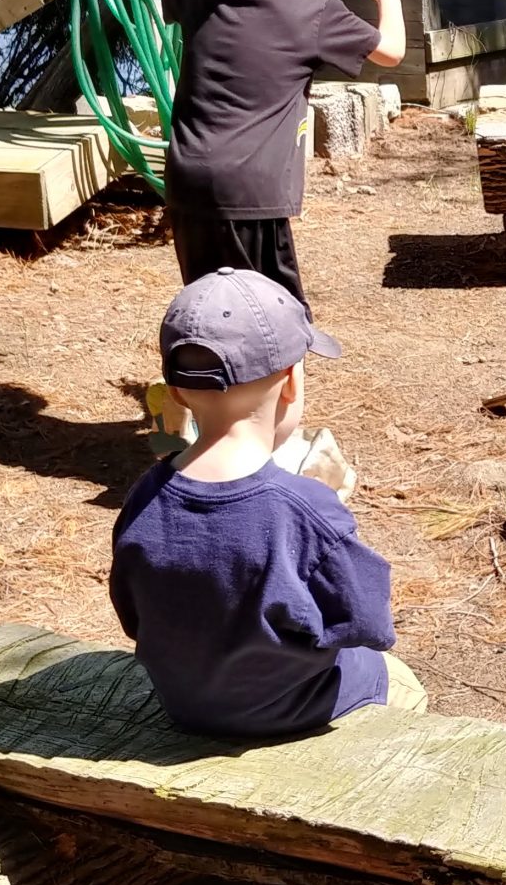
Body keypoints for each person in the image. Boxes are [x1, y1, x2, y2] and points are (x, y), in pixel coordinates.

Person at [111, 268, 422, 738]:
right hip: (291, 710)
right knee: (400, 681)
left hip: (185, 705)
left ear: (176, 391)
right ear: (291, 383)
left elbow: (133, 615)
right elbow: (370, 624)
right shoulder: (306, 510)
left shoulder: (144, 496)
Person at [161, 0, 407, 309]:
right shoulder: (311, 5)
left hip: (187, 183)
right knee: (274, 317)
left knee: (209, 308)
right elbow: (391, 51)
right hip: (251, 193)